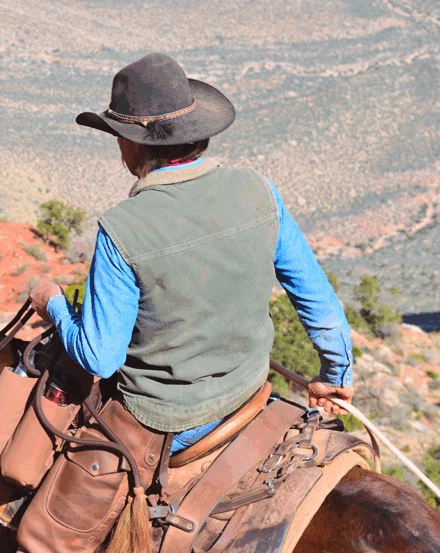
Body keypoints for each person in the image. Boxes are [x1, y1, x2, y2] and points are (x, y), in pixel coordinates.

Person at [29, 53, 354, 455]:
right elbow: (318, 302)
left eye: (117, 135)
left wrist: (54, 305)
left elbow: (99, 358)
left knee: (32, 434)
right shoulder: (258, 189)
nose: (117, 145)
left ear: (134, 144)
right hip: (248, 391)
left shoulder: (122, 227)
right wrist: (335, 376)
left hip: (168, 420)